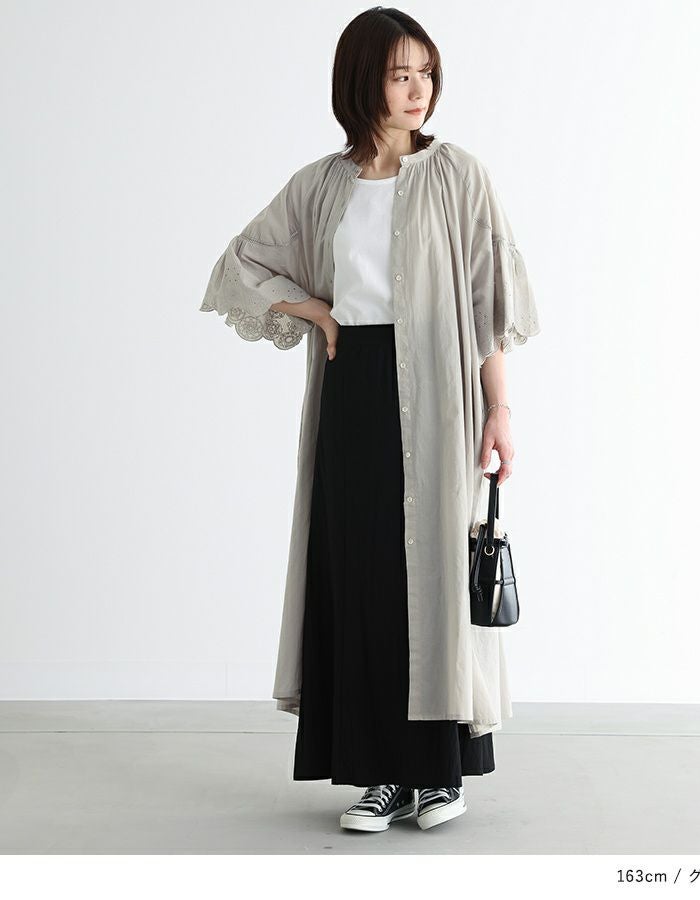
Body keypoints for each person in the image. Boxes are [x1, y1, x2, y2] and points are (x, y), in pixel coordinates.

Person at [199, 7, 540, 833]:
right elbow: (242, 262)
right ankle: (379, 774)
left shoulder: (458, 175)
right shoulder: (322, 185)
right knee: (362, 576)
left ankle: (439, 775)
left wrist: (499, 409)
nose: (418, 89)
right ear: (362, 82)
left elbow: (487, 307)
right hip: (354, 394)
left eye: (426, 72)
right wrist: (314, 309)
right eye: (399, 74)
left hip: (442, 394)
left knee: (433, 579)